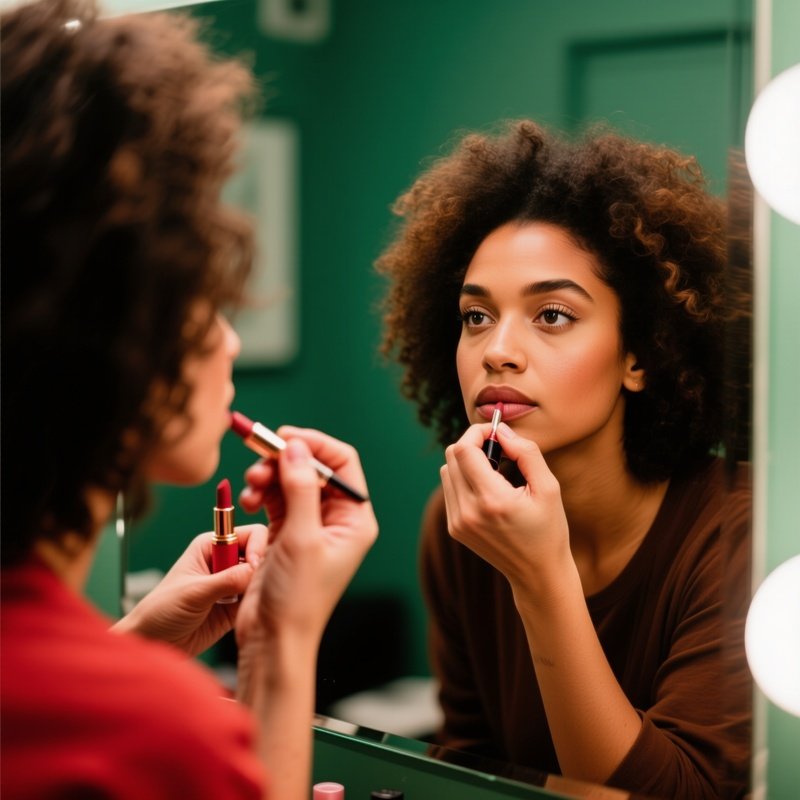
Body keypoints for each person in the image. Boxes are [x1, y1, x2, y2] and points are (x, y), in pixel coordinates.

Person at [0, 2, 378, 799]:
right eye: (203, 298)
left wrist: (134, 641)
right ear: (112, 332)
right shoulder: (158, 739)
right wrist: (278, 645)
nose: (230, 341)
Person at [377, 120, 751, 799]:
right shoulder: (462, 523)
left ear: (640, 355)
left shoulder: (741, 534)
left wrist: (540, 577)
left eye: (551, 315)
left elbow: (677, 793)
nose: (498, 351)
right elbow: (469, 768)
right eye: (476, 316)